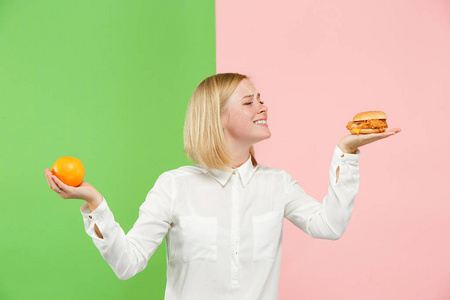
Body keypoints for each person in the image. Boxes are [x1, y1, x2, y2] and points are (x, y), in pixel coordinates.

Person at [44, 73, 401, 300]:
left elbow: (330, 226)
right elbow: (127, 263)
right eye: (249, 102)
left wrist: (347, 153)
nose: (263, 107)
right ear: (217, 118)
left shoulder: (277, 185)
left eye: (261, 99)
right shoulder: (174, 187)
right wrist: (94, 202)